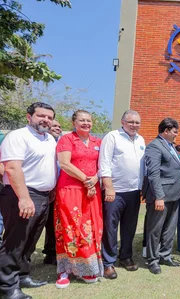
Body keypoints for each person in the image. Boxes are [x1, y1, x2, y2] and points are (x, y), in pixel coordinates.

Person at [0, 102, 57, 299]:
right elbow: (12, 168)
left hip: (43, 196)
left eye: (49, 117)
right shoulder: (18, 136)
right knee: (15, 242)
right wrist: (24, 198)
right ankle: (7, 287)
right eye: (41, 116)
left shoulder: (49, 139)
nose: (46, 120)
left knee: (30, 240)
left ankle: (22, 276)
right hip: (21, 194)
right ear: (29, 117)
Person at [54, 110, 103, 289]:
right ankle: (65, 270)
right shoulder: (66, 140)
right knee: (70, 227)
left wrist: (95, 180)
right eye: (81, 120)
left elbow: (104, 164)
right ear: (74, 122)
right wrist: (86, 180)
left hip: (92, 190)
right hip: (71, 189)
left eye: (88, 120)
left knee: (90, 227)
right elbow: (65, 164)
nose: (86, 123)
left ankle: (88, 267)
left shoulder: (98, 141)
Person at [144, 118, 180, 275]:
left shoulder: (171, 146)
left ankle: (165, 255)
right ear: (166, 131)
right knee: (156, 229)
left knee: (169, 228)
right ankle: (152, 260)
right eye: (175, 131)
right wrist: (159, 196)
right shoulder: (154, 146)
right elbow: (153, 173)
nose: (177, 134)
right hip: (161, 195)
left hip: (175, 194)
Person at [98, 110, 145, 279]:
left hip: (133, 191)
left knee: (129, 227)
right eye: (131, 122)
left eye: (137, 122)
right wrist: (108, 187)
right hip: (115, 191)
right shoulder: (112, 136)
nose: (134, 125)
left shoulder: (141, 139)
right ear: (122, 122)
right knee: (111, 227)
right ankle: (108, 262)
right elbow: (104, 162)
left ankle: (125, 256)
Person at [42, 119, 62, 266]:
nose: (58, 128)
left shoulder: (61, 143)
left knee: (52, 224)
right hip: (41, 189)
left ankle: (50, 253)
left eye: (60, 127)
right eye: (54, 126)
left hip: (58, 190)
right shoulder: (42, 143)